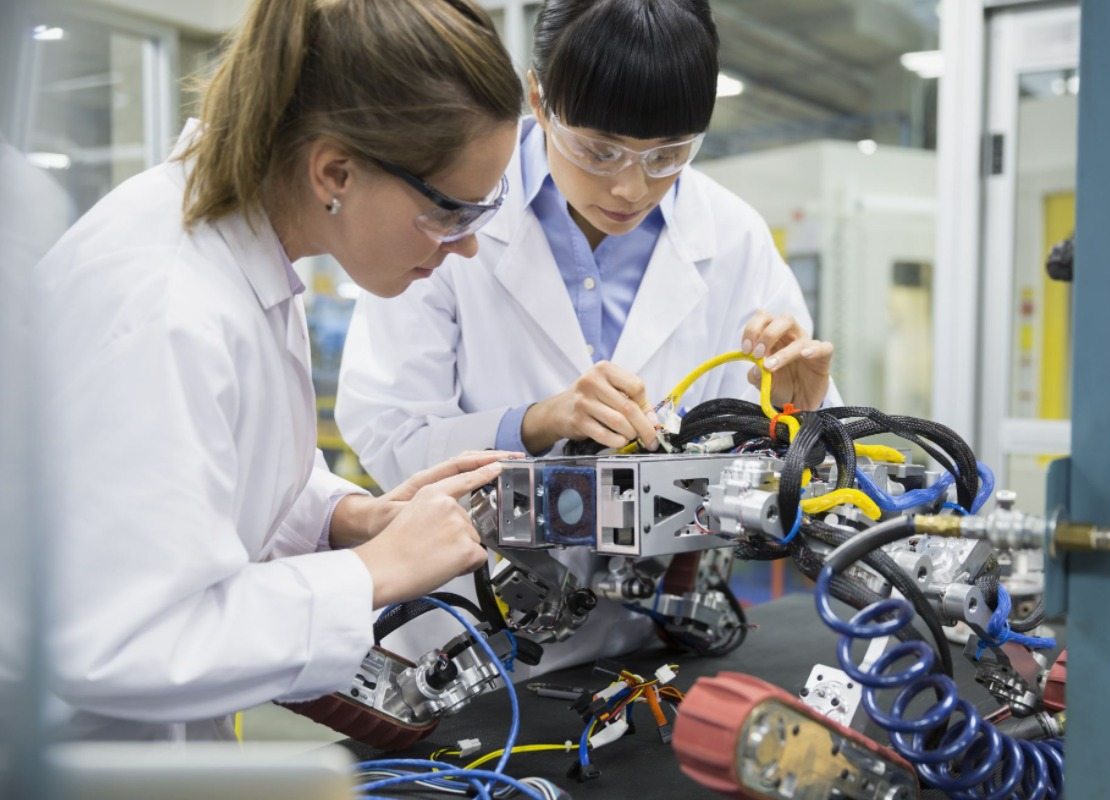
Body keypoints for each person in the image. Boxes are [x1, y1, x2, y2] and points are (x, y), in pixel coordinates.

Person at [35, 0, 523, 741]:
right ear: (336, 170)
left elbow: (205, 476)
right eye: (450, 213)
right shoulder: (167, 303)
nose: (466, 248)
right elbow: (120, 639)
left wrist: (345, 516)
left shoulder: (247, 250)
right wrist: (373, 572)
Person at [336, 0, 841, 673]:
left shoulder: (732, 234)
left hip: (646, 643)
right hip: (468, 641)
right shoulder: (453, 204)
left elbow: (795, 485)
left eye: (668, 155)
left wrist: (799, 414)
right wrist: (539, 423)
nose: (631, 187)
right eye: (598, 150)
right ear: (539, 100)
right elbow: (389, 434)